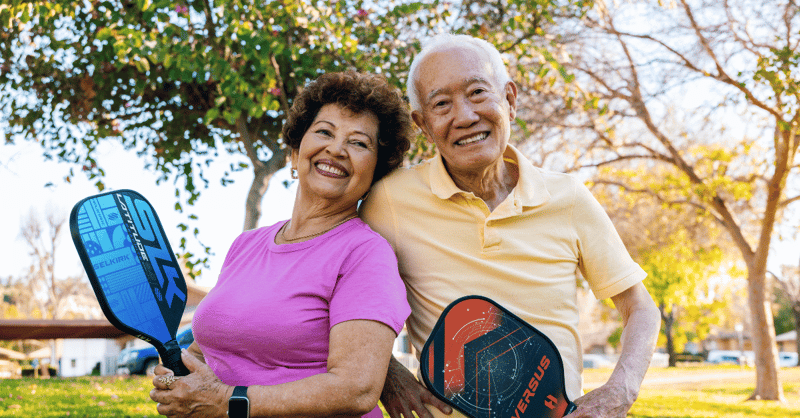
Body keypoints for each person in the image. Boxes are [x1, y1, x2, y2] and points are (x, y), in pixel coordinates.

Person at [359, 33, 662, 418]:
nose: (465, 116)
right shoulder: (389, 202)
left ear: (510, 100)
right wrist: (389, 373)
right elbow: (335, 297)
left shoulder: (568, 197)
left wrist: (620, 390)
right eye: (441, 104)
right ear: (423, 124)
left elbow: (639, 306)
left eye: (478, 93)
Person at [149, 71, 414, 418]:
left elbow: (356, 387)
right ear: (294, 151)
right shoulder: (246, 245)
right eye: (324, 132)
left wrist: (228, 402)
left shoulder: (365, 254)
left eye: (359, 143)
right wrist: (179, 378)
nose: (336, 149)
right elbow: (212, 349)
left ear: (376, 172)